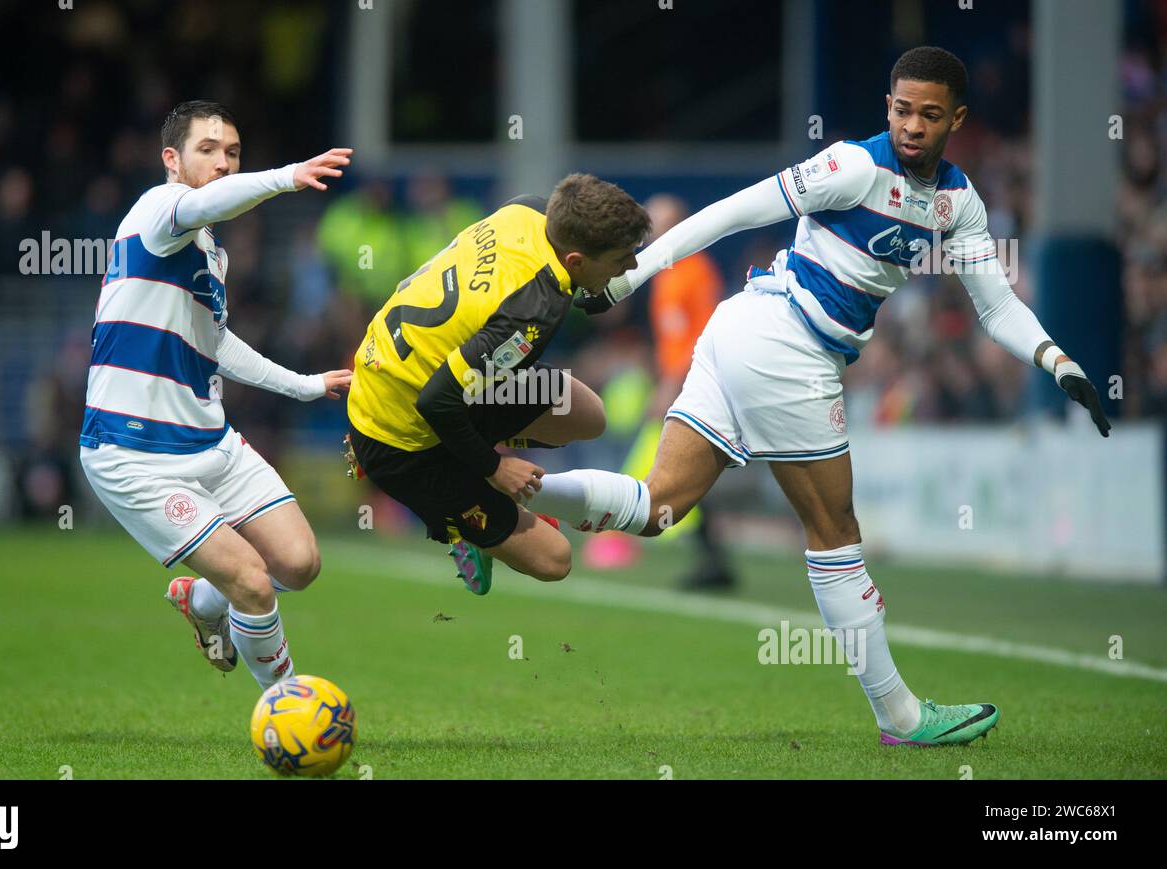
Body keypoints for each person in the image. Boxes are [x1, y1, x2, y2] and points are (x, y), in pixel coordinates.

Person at [526, 47, 1110, 747]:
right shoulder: (853, 166)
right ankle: (900, 717)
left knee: (659, 507)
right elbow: (731, 214)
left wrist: (1058, 359)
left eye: (929, 114)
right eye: (901, 110)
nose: (912, 126)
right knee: (835, 533)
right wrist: (630, 276)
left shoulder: (959, 205)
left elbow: (995, 306)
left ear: (956, 118)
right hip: (784, 343)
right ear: (887, 106)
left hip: (744, 331)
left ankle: (497, 488)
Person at [78, 100, 353, 690]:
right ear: (171, 160)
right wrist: (284, 177)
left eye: (232, 152)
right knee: (252, 582)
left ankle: (201, 603)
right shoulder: (158, 211)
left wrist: (305, 385)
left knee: (299, 564)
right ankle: (286, 710)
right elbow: (203, 202)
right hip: (134, 454)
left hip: (210, 441)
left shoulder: (209, 252)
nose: (223, 163)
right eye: (208, 150)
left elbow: (216, 345)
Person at [344, 174, 649, 595]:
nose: (630, 267)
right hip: (399, 436)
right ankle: (468, 517)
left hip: (423, 377)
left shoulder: (527, 208)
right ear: (576, 259)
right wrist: (495, 467)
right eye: (621, 259)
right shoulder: (531, 313)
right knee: (554, 560)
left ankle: (480, 479)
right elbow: (437, 402)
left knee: (587, 415)